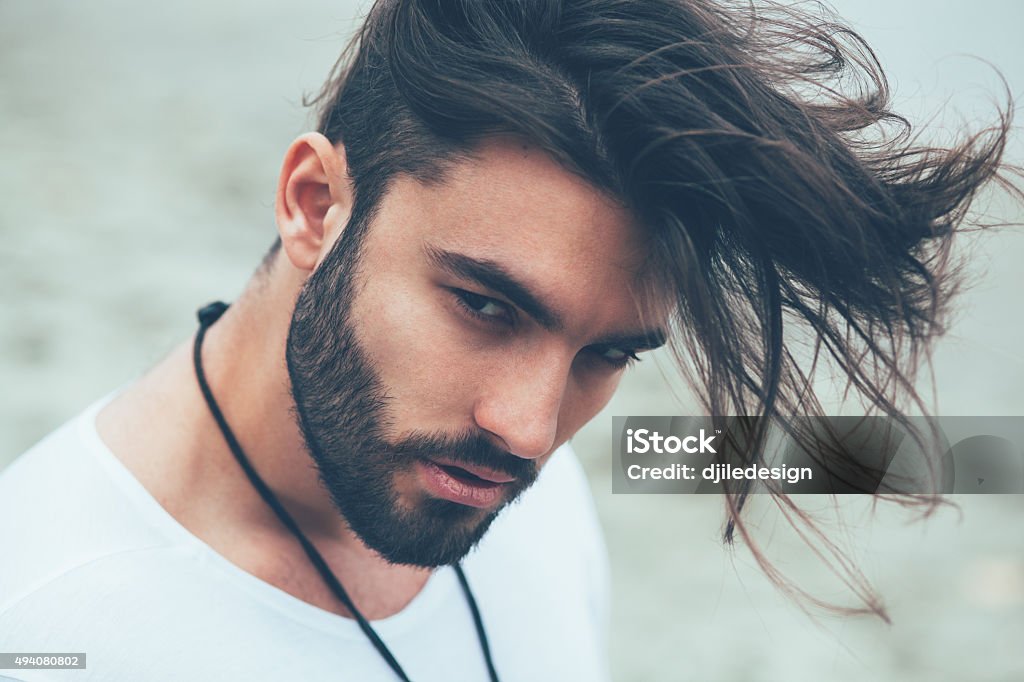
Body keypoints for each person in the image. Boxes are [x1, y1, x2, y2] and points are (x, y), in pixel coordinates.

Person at [0, 0, 1015, 680]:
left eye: (608, 353)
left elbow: (714, 458)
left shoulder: (481, 468)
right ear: (314, 205)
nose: (531, 428)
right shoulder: (52, 625)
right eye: (485, 306)